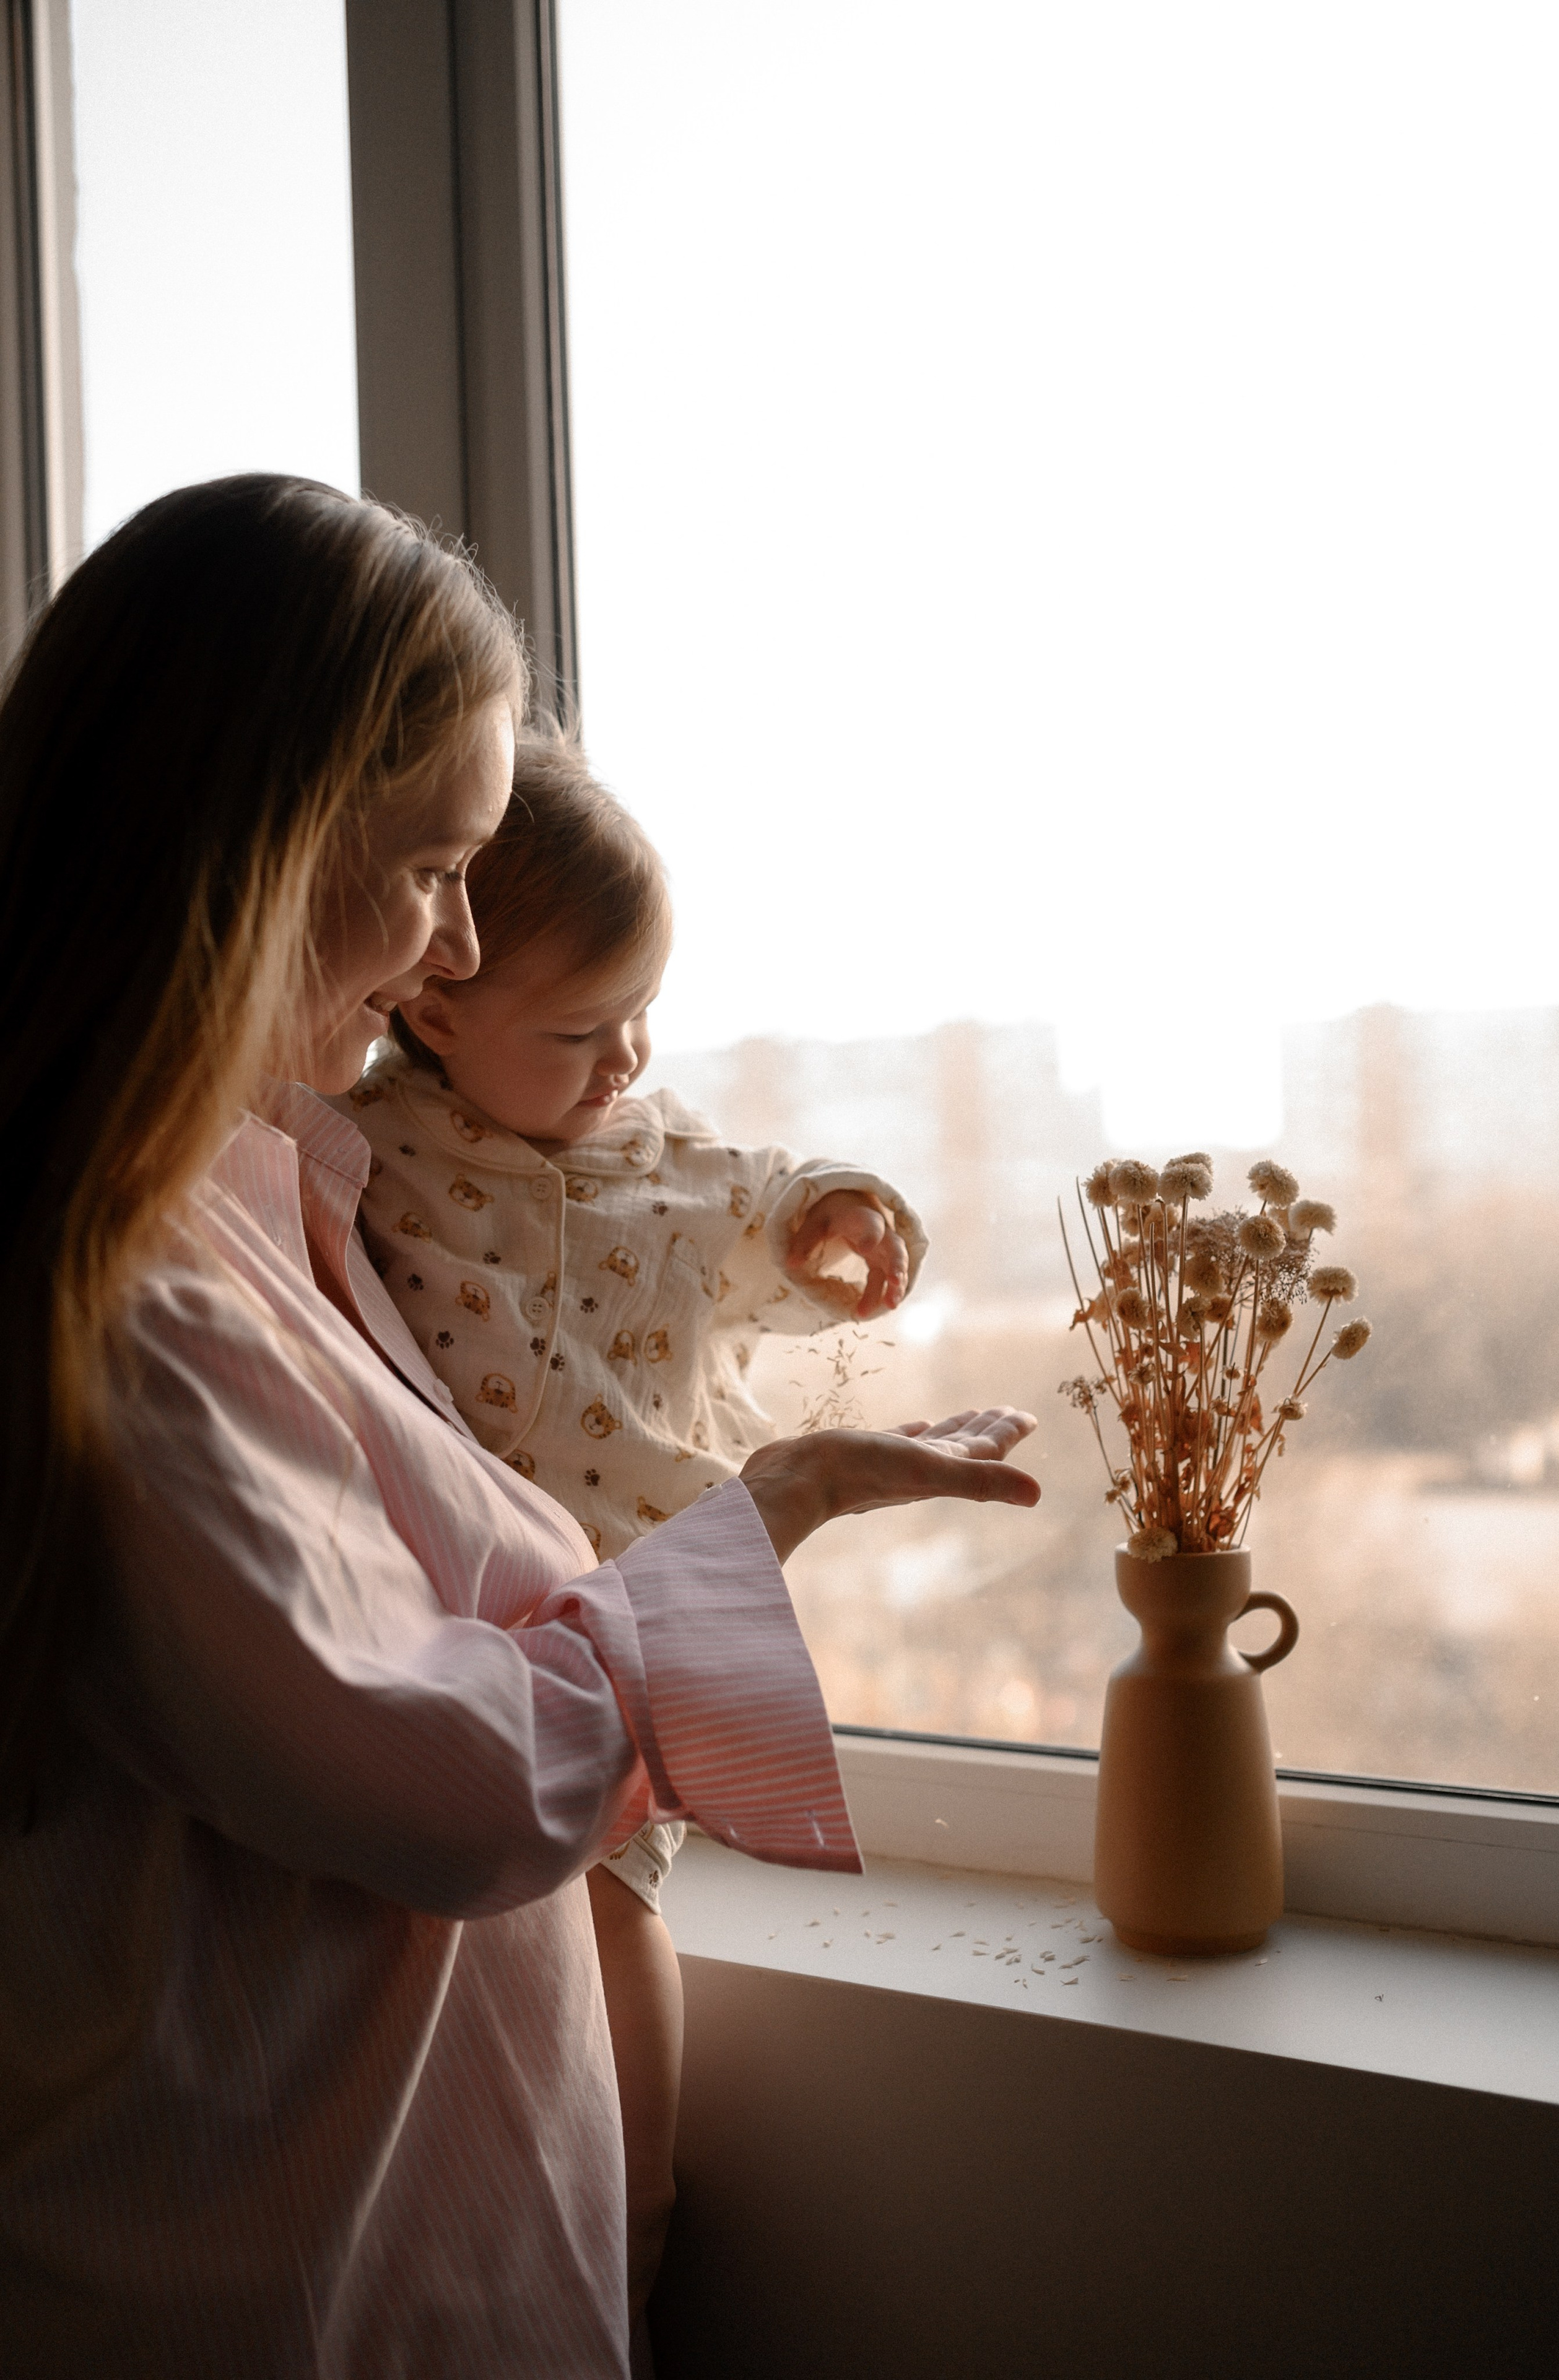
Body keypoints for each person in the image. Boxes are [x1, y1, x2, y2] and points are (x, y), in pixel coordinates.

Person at [0, 474, 1040, 2379]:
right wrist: (774, 1503)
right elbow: (452, 1781)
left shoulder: (277, 1204)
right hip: (262, 2289)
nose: (463, 952)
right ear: (252, 845)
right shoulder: (124, 1307)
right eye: (431, 867)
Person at [337, 732, 933, 2323]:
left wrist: (839, 1217)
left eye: (645, 1014)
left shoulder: (663, 1162)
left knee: (614, 1929)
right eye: (582, 1027)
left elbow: (776, 1195)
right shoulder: (370, 1149)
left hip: (638, 1625)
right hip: (437, 1635)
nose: (625, 1059)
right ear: (431, 997)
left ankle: (640, 2228)